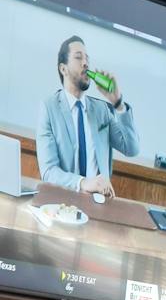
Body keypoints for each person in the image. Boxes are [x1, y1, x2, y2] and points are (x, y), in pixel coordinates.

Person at [36, 34, 139, 197]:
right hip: (64, 201)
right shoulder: (49, 108)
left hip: (99, 203)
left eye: (87, 59)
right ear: (63, 69)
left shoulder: (102, 110)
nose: (85, 63)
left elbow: (131, 148)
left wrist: (118, 103)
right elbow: (49, 172)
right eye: (78, 58)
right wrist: (83, 183)